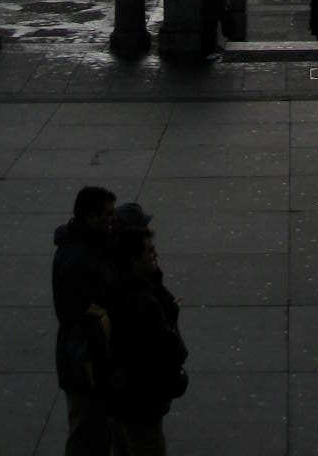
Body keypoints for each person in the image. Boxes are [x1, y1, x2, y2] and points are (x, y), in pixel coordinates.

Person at [107, 204, 189, 456]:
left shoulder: (124, 283)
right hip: (139, 400)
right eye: (149, 252)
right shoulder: (139, 301)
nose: (155, 254)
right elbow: (165, 350)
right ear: (133, 259)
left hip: (127, 397)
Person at [52, 185, 118, 456]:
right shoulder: (80, 259)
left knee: (93, 430)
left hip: (84, 355)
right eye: (108, 214)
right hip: (85, 359)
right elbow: (83, 315)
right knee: (86, 433)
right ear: (91, 217)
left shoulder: (85, 248)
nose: (113, 220)